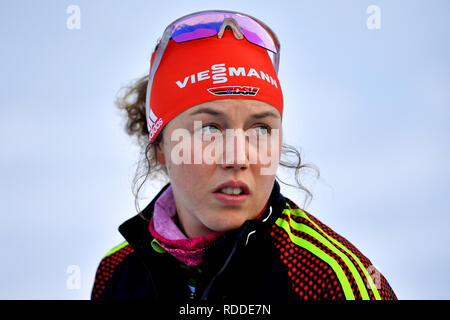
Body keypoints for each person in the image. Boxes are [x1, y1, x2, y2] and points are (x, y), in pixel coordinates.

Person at [91, 10, 397, 301]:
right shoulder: (117, 275)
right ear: (160, 146)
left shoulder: (330, 281)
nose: (238, 157)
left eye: (260, 129)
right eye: (209, 128)